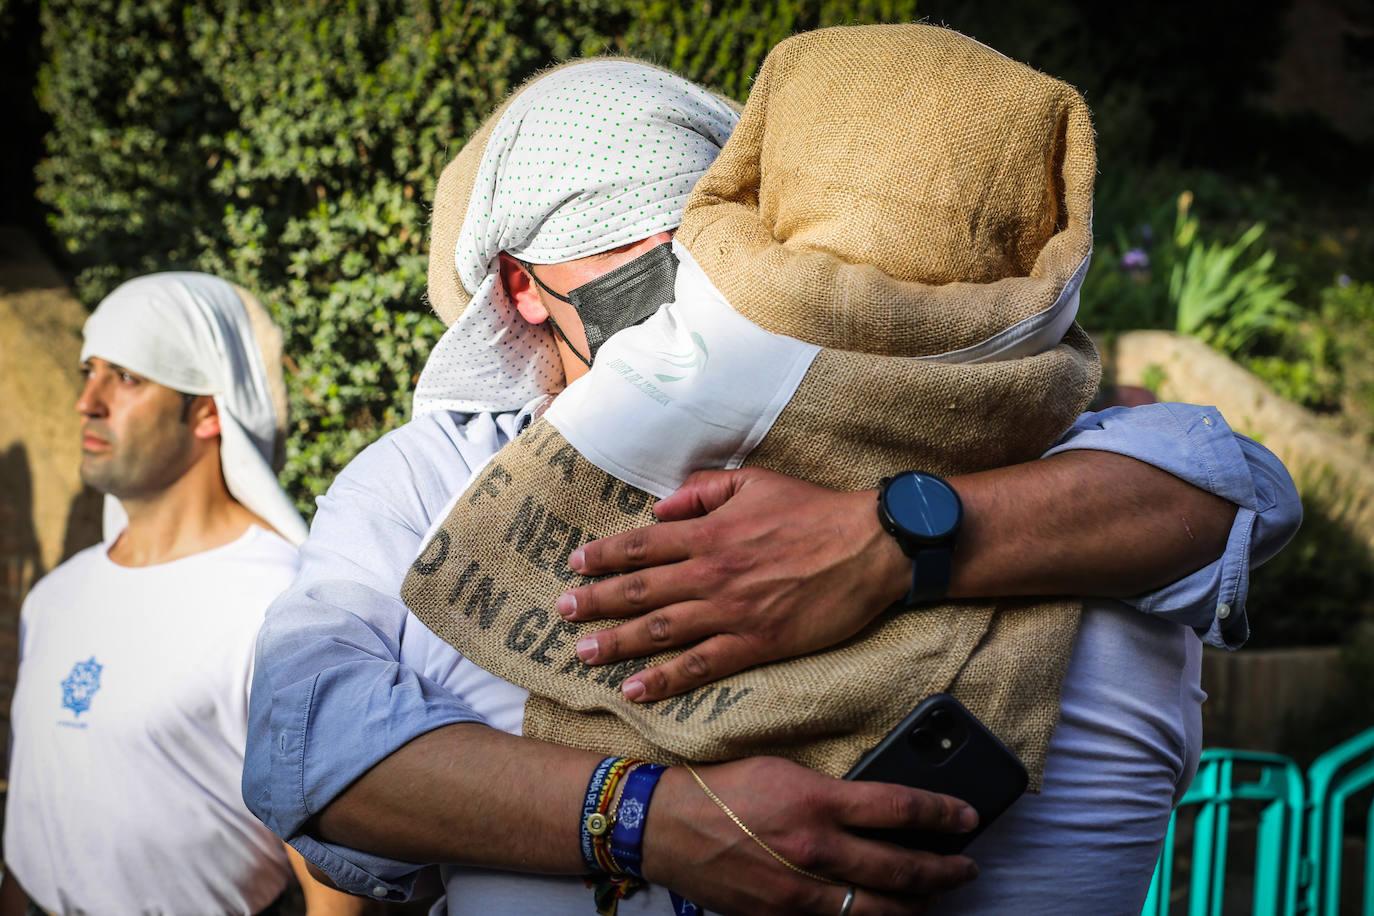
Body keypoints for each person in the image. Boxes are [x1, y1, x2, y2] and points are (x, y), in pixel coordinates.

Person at [245, 47, 1299, 916]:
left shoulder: (922, 439)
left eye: (729, 273)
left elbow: (1228, 486)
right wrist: (656, 820)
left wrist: (895, 539)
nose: (700, 320)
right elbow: (306, 738)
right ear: (523, 289)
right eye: (657, 276)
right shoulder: (436, 480)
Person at [0, 274, 368, 915]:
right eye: (90, 371)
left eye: (129, 377)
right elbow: (34, 832)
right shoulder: (53, 597)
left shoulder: (285, 609)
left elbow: (339, 891)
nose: (87, 400)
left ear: (206, 411)